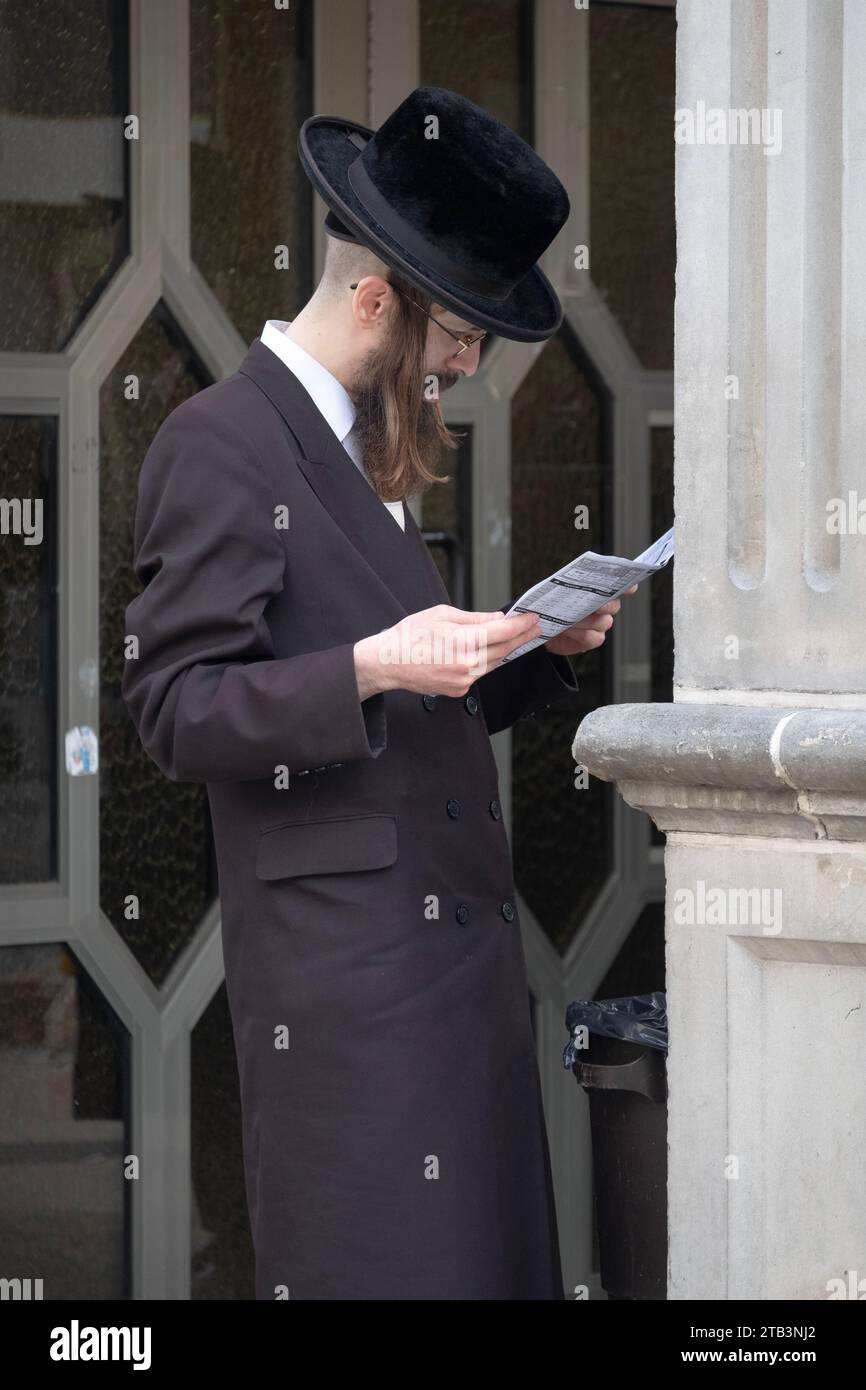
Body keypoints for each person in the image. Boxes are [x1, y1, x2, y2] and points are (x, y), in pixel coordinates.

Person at [122, 85, 633, 1300]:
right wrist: (371, 661)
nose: (464, 366)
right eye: (459, 336)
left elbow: (409, 704)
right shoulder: (220, 440)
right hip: (351, 1010)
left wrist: (531, 651)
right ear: (372, 300)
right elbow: (174, 707)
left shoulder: (356, 450)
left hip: (450, 989)